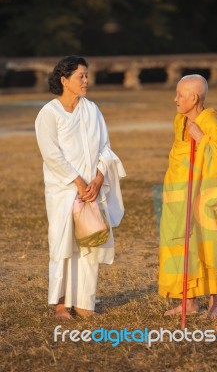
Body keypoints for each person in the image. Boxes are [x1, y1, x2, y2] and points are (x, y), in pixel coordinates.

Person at [35, 55, 126, 319]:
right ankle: (61, 304)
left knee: (90, 242)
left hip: (91, 192)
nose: (86, 81)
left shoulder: (92, 109)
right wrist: (78, 182)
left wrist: (98, 180)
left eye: (87, 75)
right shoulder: (49, 113)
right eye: (81, 76)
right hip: (64, 191)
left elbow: (105, 147)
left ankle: (85, 303)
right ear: (64, 80)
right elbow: (51, 154)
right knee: (63, 243)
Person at [158, 74, 217, 319]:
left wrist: (203, 141)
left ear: (194, 98)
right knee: (181, 243)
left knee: (209, 244)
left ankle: (215, 303)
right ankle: (189, 301)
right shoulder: (179, 120)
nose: (175, 100)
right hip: (179, 194)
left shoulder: (211, 120)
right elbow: (178, 157)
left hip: (205, 196)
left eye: (180, 95)